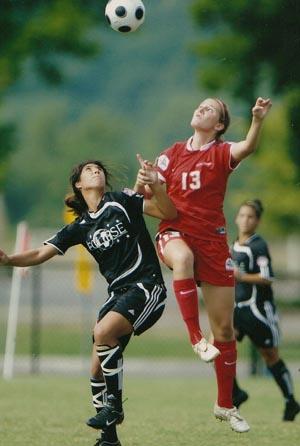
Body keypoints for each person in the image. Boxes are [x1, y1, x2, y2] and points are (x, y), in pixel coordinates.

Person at [0, 159, 177, 446]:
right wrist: (8, 260)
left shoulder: (122, 200)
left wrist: (155, 188)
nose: (96, 171)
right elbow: (39, 253)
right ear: (79, 185)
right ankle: (109, 439)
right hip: (117, 295)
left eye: (99, 169)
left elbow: (168, 212)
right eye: (88, 170)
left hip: (146, 287)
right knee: (95, 368)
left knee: (102, 332)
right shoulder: (80, 227)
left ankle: (115, 408)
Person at [135, 97, 272, 433]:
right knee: (182, 258)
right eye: (200, 106)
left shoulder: (221, 152)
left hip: (212, 242)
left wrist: (256, 120)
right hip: (175, 233)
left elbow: (248, 148)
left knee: (225, 330)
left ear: (220, 125)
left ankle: (225, 404)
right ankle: (196, 338)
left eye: (210, 109)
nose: (201, 109)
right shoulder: (172, 152)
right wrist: (146, 179)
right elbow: (147, 198)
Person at [232, 199, 300, 422]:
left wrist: (241, 277)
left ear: (257, 221)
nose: (245, 220)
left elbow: (267, 276)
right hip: (236, 309)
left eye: (250, 216)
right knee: (218, 346)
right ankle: (235, 392)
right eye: (242, 215)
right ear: (236, 218)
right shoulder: (233, 244)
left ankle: (291, 401)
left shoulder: (258, 246)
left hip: (257, 310)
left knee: (270, 356)